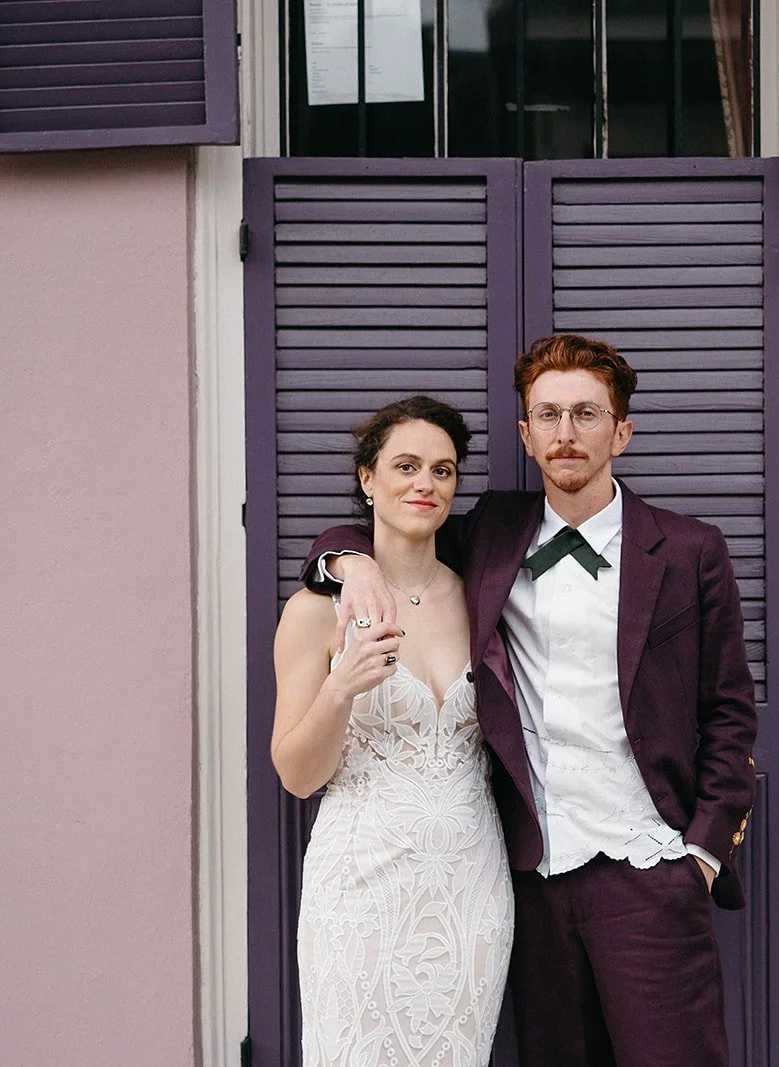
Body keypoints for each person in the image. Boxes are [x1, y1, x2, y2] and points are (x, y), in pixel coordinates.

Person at [304, 334, 758, 1067]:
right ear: (525, 432)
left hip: (650, 868)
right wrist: (344, 560)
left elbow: (732, 711)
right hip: (533, 881)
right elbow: (394, 523)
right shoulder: (493, 533)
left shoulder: (689, 549)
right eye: (547, 416)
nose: (566, 433)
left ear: (622, 430)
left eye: (586, 414)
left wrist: (701, 851)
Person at [270, 395, 514, 1067]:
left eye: (443, 470)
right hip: (362, 890)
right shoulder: (315, 613)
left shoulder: (483, 598)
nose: (425, 484)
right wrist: (341, 685)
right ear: (367, 478)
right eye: (405, 465)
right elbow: (295, 771)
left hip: (471, 888)